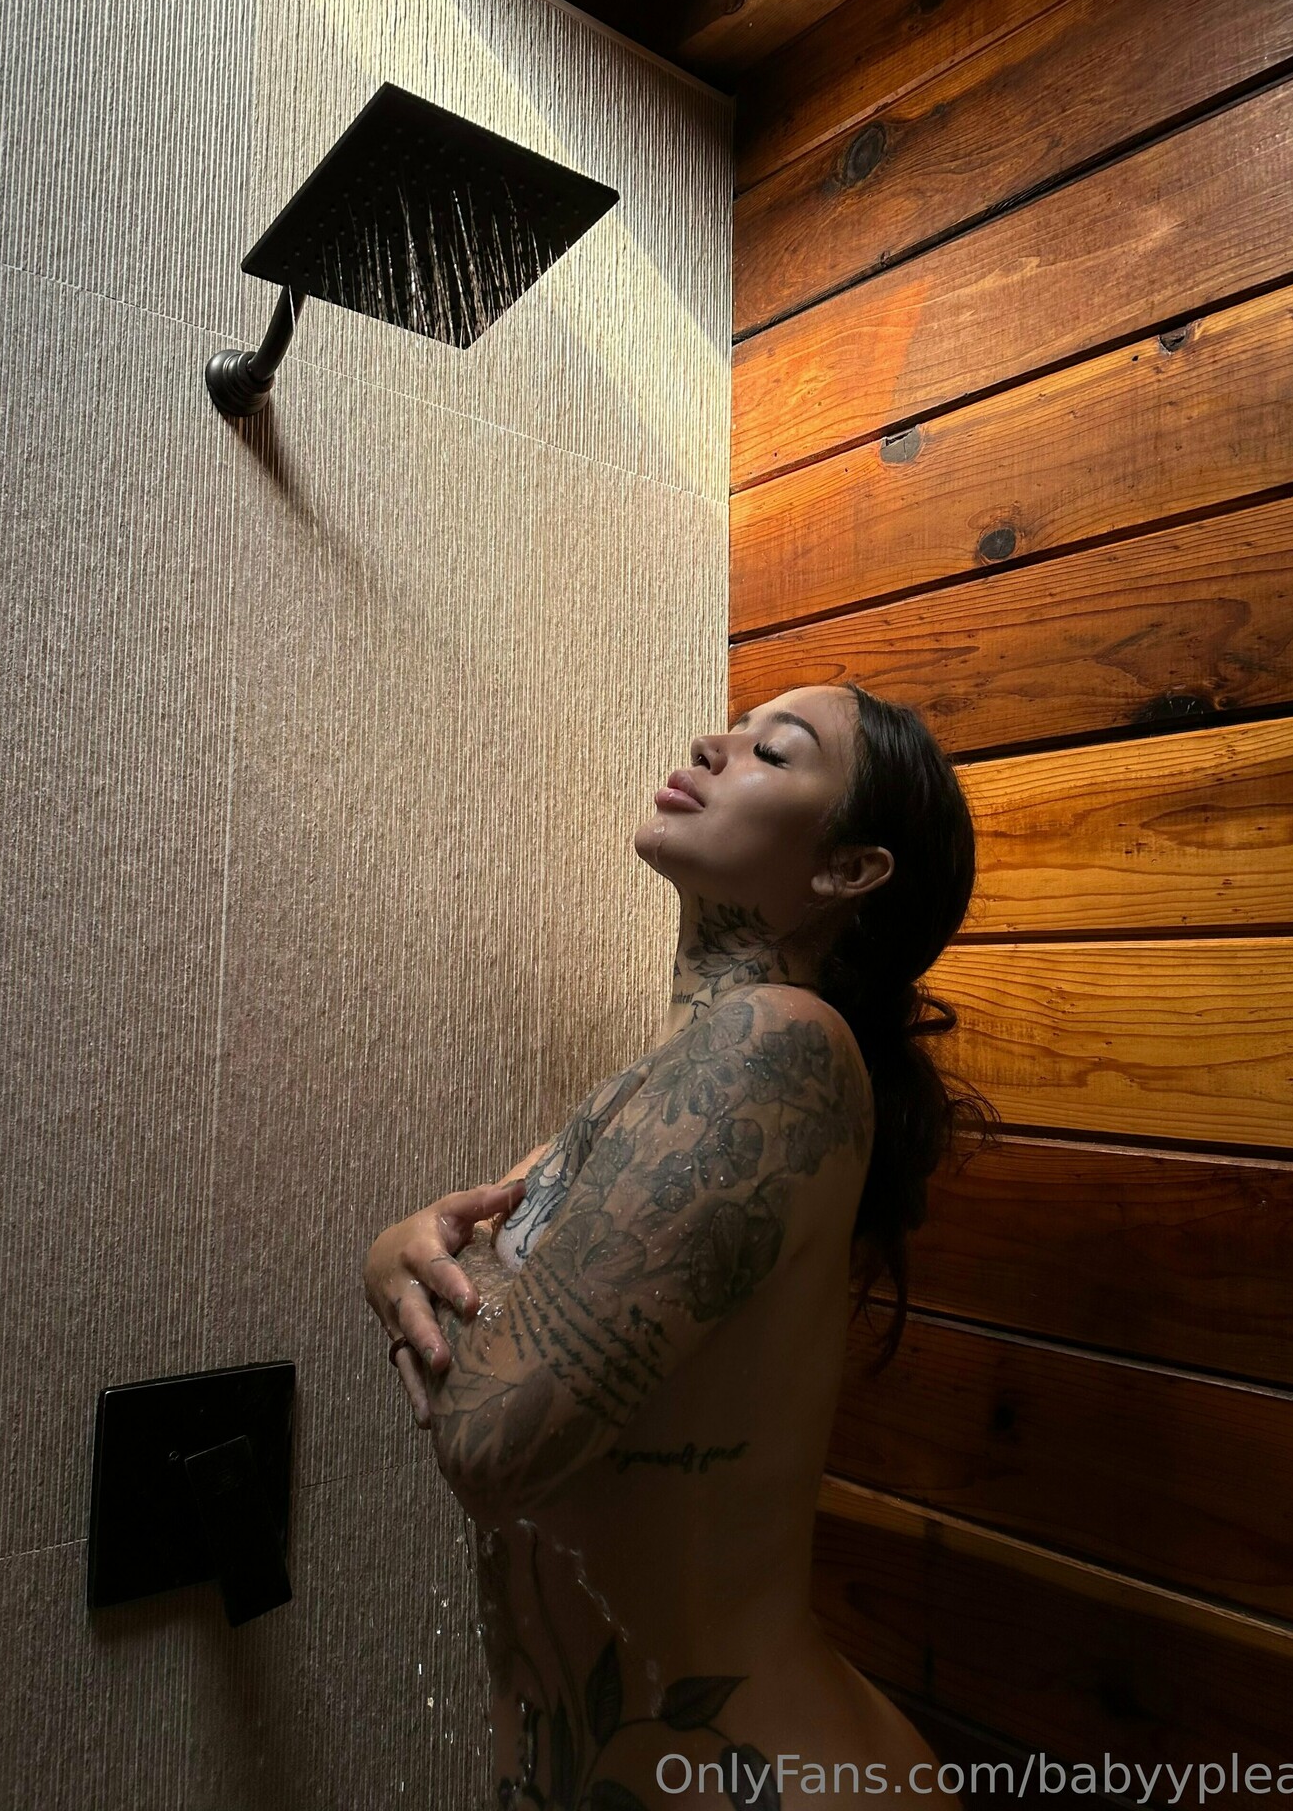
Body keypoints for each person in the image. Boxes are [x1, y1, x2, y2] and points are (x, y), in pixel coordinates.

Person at [364, 681, 981, 1810]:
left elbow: (492, 1437)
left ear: (848, 869)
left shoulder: (777, 1044)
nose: (713, 741)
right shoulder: (651, 1088)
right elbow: (473, 1292)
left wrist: (399, 1267)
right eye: (735, 730)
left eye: (774, 752)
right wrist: (394, 1250)